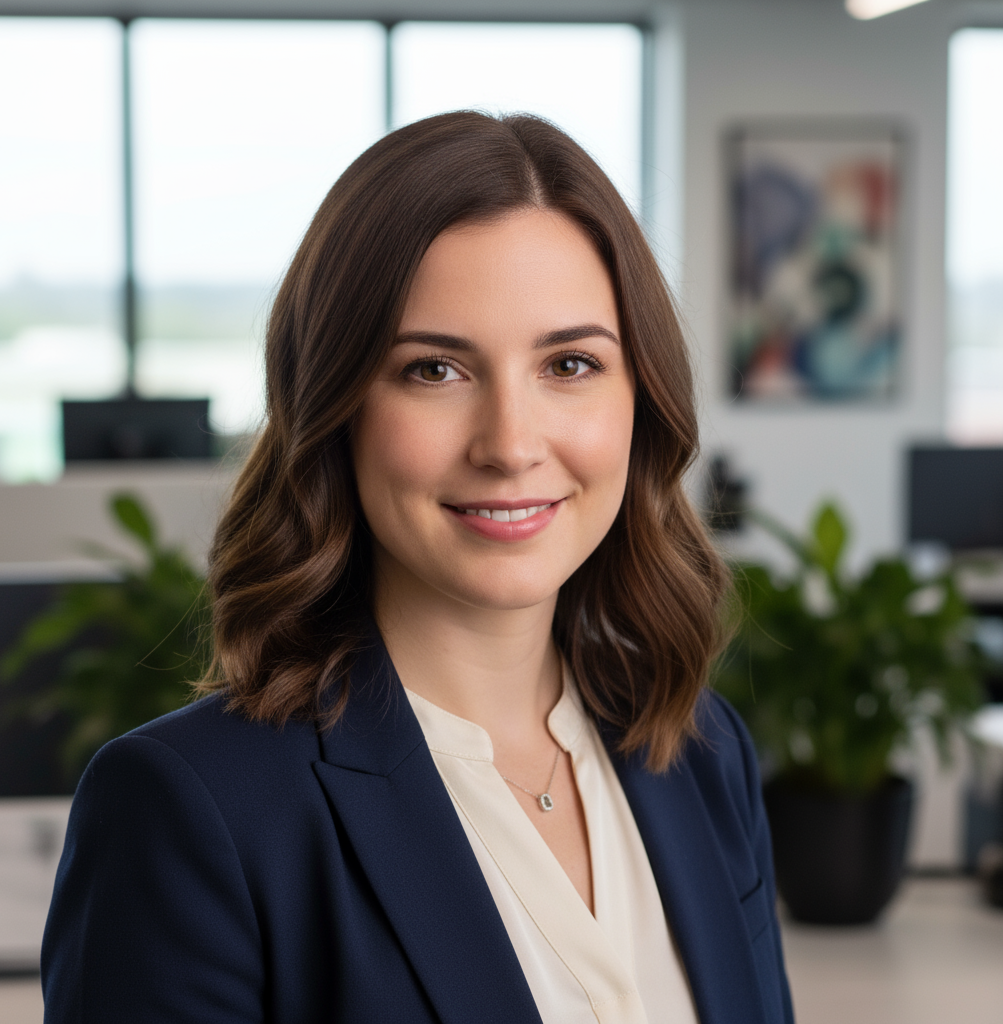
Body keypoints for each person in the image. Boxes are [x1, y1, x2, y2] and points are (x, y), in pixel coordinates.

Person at [41, 111, 794, 1024]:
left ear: (644, 399)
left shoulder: (700, 753)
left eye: (569, 362)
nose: (512, 445)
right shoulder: (194, 813)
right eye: (434, 370)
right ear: (333, 405)